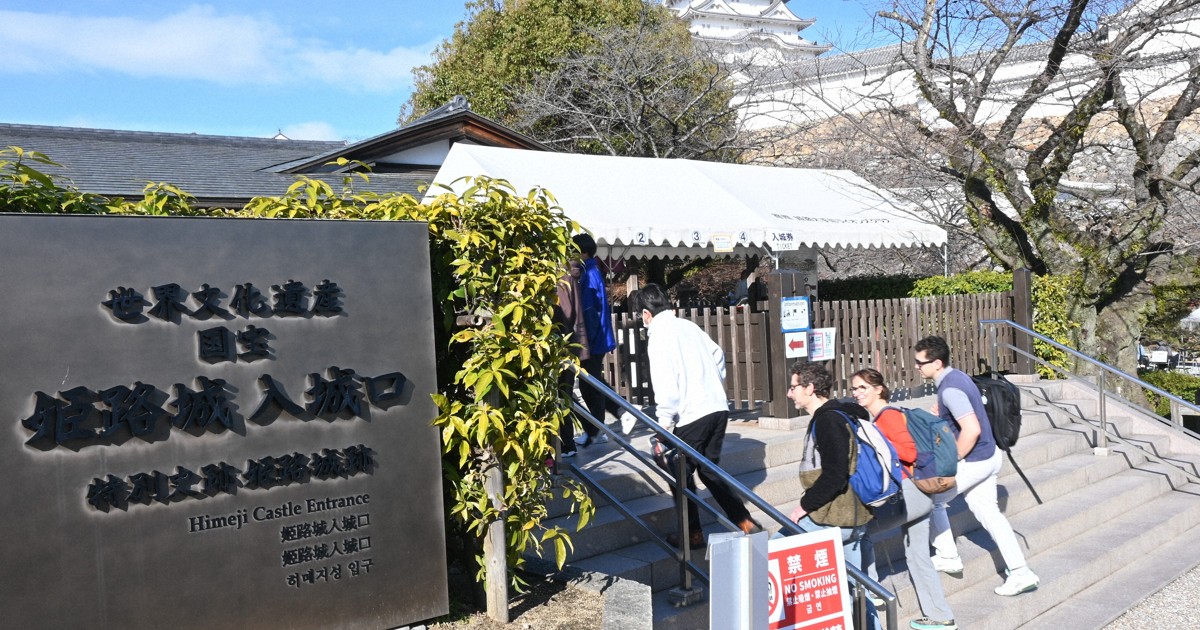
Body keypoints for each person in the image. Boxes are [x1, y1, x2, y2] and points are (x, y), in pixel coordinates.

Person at [914, 335, 1039, 596]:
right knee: (991, 515)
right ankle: (1021, 572)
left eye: (920, 362)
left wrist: (952, 461)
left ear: (937, 363)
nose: (917, 367)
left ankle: (947, 556)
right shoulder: (957, 377)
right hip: (989, 455)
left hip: (975, 461)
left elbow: (971, 429)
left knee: (931, 498)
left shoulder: (950, 389)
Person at [638, 283, 757, 548]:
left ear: (646, 314)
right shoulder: (688, 326)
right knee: (708, 470)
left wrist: (663, 426)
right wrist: (712, 384)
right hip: (717, 407)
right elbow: (718, 354)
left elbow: (665, 385)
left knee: (678, 472)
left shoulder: (658, 336)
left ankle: (692, 533)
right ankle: (745, 522)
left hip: (693, 413)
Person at [852, 368, 957, 630]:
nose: (857, 393)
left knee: (861, 531)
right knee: (918, 554)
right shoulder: (886, 416)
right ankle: (940, 615)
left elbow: (909, 452)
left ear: (879, 389)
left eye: (863, 387)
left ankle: (872, 590)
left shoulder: (887, 417)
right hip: (920, 491)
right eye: (854, 388)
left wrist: (878, 445)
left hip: (911, 492)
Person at [786, 360, 877, 629]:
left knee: (775, 549)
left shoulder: (828, 421)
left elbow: (835, 474)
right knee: (856, 592)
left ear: (810, 388)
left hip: (836, 516)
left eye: (793, 387)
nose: (789, 394)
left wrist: (803, 506)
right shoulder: (841, 413)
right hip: (856, 515)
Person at [571, 233, 632, 446]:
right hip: (596, 336)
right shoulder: (592, 270)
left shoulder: (589, 274)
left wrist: (583, 340)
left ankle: (598, 429)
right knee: (592, 381)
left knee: (590, 384)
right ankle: (614, 415)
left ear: (583, 252)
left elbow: (589, 310)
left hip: (592, 338)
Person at [551, 260, 589, 459]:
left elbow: (565, 312)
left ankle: (564, 444)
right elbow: (576, 313)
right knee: (565, 394)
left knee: (559, 395)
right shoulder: (570, 276)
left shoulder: (557, 278)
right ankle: (568, 442)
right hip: (570, 343)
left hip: (558, 343)